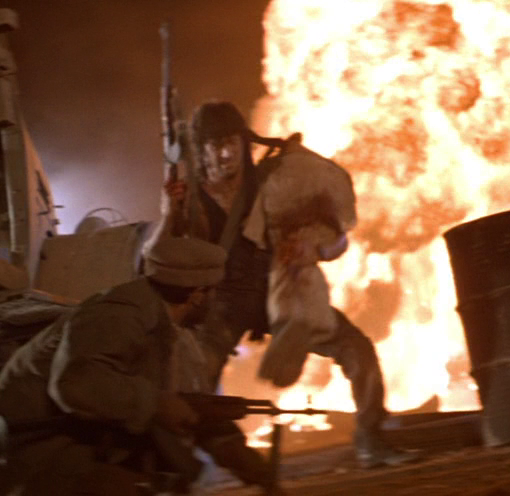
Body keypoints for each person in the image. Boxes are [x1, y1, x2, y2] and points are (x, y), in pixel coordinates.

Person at [167, 101, 417, 469]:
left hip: (278, 291)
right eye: (215, 145)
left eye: (232, 142)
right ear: (201, 150)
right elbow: (170, 256)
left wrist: (311, 245)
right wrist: (172, 212)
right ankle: (183, 465)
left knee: (356, 348)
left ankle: (371, 439)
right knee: (194, 377)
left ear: (243, 142)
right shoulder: (191, 199)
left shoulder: (275, 180)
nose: (225, 153)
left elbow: (335, 239)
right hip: (224, 302)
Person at [0, 234, 279, 495]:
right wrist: (155, 404)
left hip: (70, 446)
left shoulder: (170, 332)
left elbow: (191, 407)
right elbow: (77, 386)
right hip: (27, 449)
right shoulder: (117, 315)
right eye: (213, 293)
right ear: (198, 295)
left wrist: (247, 463)